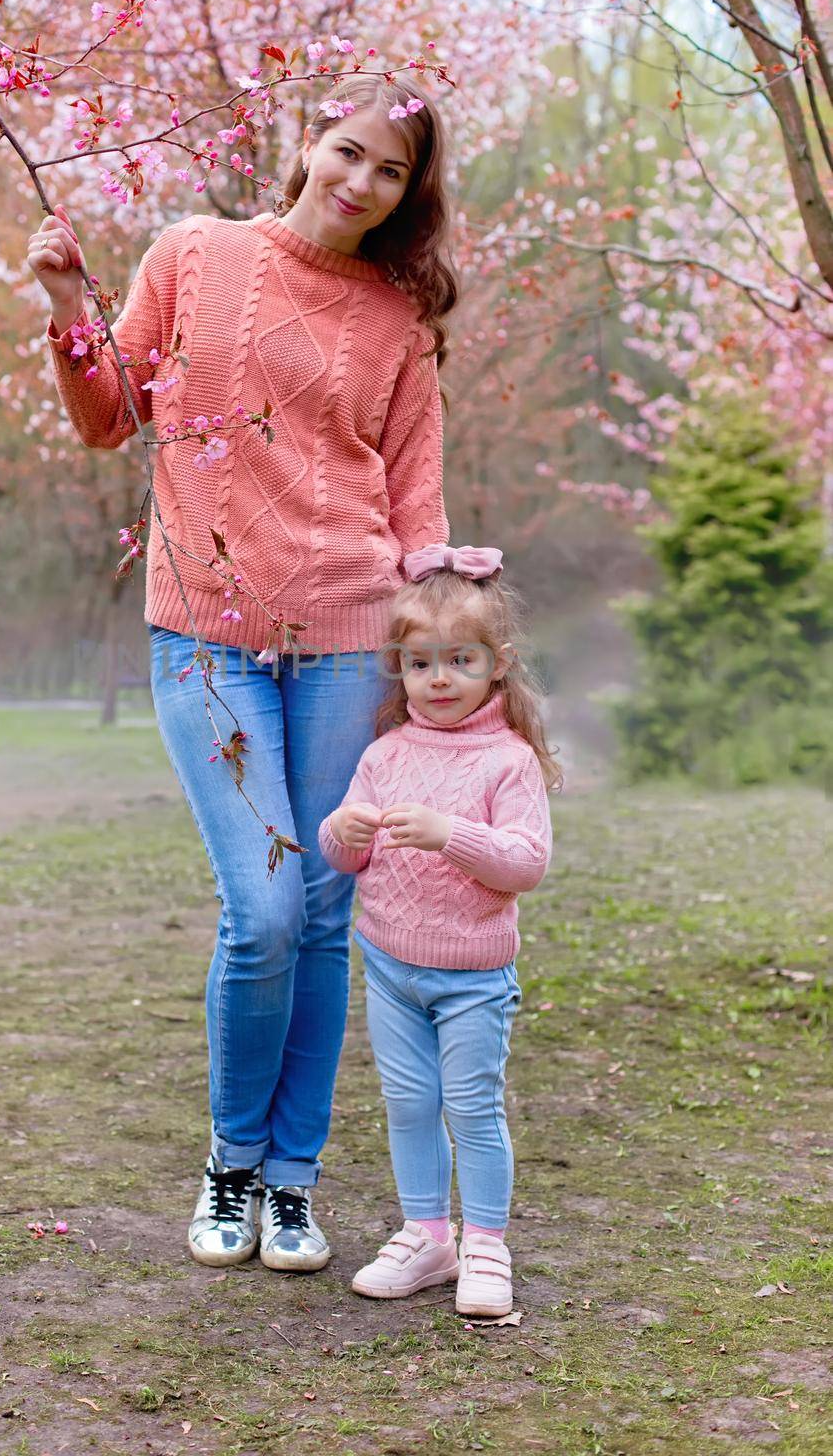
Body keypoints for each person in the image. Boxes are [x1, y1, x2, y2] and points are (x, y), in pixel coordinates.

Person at [26, 70, 458, 1273]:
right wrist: (69, 301)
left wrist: (443, 590)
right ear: (304, 144)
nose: (360, 182)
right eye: (347, 151)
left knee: (322, 914)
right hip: (204, 636)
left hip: (344, 635)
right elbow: (108, 415)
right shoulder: (195, 254)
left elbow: (413, 500)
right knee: (262, 908)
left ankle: (291, 1183)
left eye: (389, 171)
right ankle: (228, 1160)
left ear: (405, 195)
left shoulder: (396, 324)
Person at [318, 544, 560, 1315]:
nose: (440, 679)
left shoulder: (508, 762)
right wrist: (343, 828)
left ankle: (486, 1245)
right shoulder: (385, 754)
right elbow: (343, 859)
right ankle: (427, 1236)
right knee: (410, 1104)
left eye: (460, 660)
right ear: (401, 667)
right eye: (421, 664)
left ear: (498, 663)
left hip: (473, 976)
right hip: (390, 965)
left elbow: (524, 862)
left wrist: (448, 833)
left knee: (471, 1106)